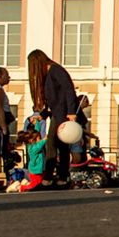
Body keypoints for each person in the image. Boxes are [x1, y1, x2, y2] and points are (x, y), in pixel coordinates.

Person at [27, 50, 78, 188]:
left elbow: (69, 90)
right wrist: (43, 114)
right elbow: (52, 100)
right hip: (57, 112)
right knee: (59, 145)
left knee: (53, 144)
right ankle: (60, 177)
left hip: (63, 113)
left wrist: (71, 112)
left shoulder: (55, 70)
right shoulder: (49, 74)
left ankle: (51, 177)